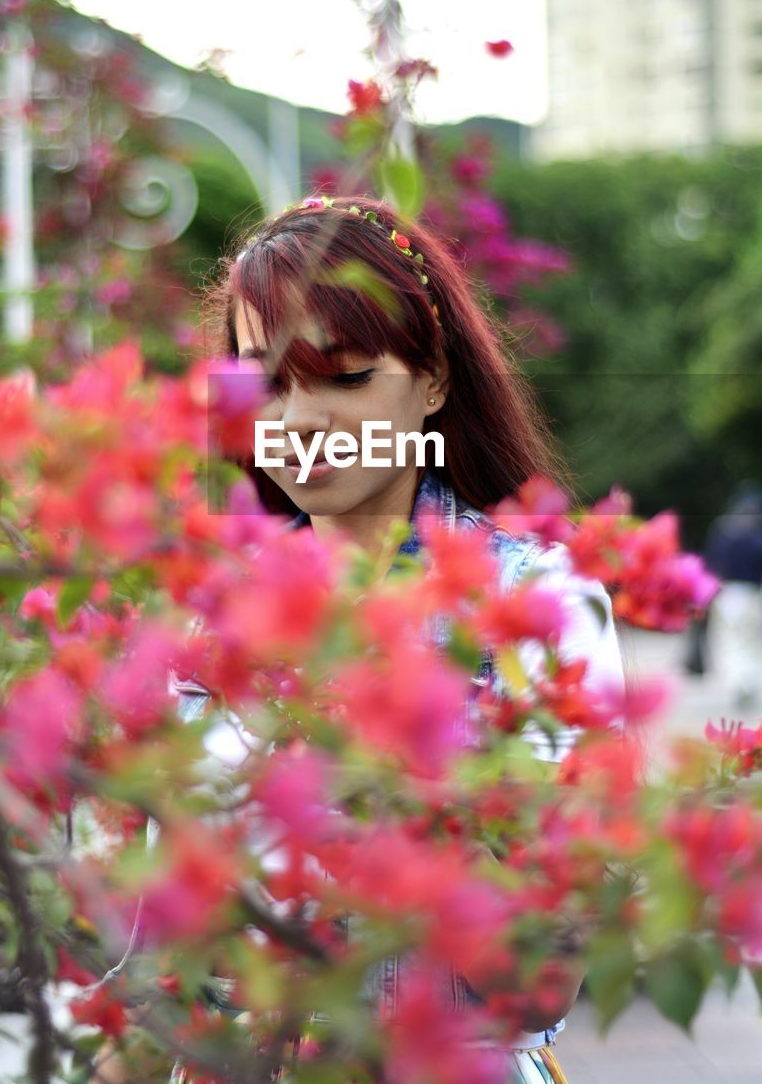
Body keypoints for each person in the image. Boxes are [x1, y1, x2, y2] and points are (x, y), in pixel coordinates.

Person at [93, 196, 624, 1084]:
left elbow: (540, 982)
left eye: (345, 377)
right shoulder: (211, 620)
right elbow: (161, 971)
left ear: (433, 381)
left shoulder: (534, 604)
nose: (298, 420)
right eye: (265, 380)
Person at [703, 482, 762, 710]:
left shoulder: (723, 530)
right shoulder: (755, 534)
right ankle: (749, 681)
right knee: (751, 641)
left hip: (727, 593)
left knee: (730, 641)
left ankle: (739, 683)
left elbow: (712, 563)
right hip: (753, 593)